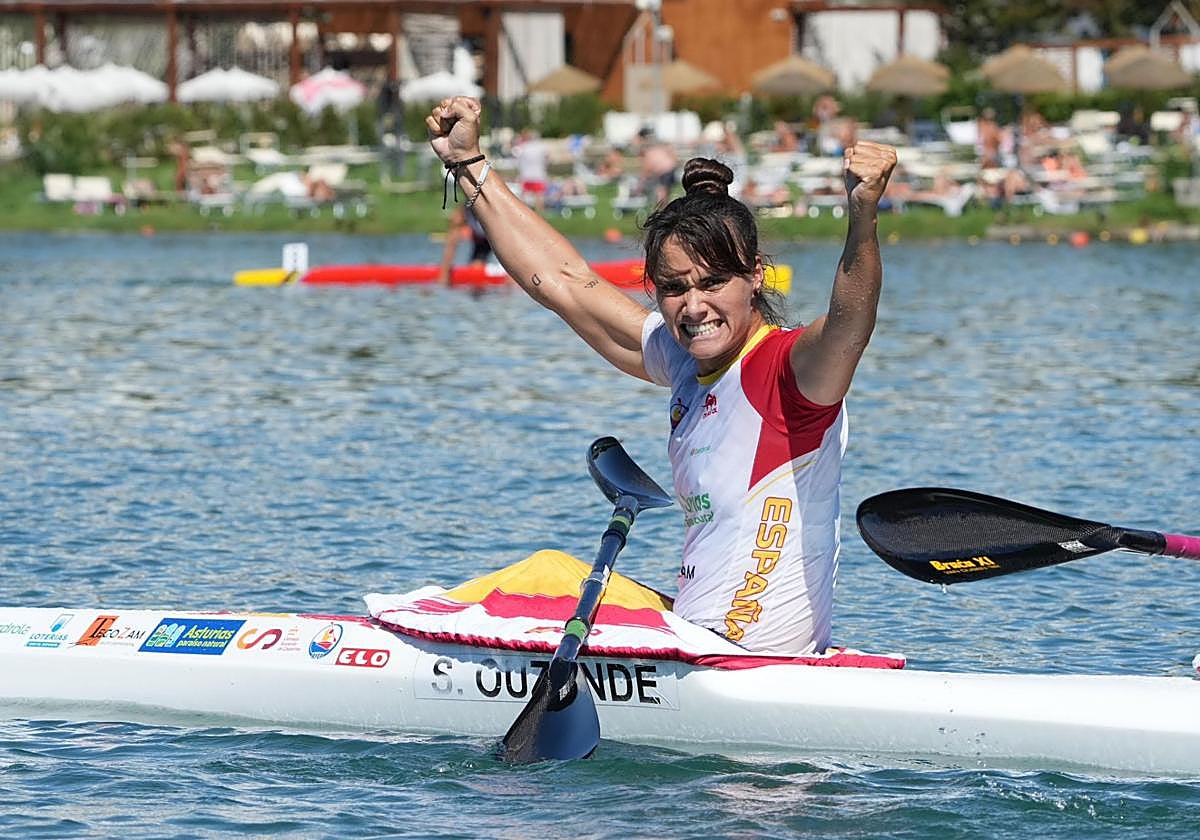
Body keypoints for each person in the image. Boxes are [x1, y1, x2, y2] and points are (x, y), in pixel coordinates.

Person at [427, 97, 895, 655]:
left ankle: (401, 647)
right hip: (692, 640)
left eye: (713, 283)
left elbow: (850, 321)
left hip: (746, 662)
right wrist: (470, 163)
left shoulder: (790, 373)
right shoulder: (681, 360)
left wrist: (862, 213)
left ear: (756, 278)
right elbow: (562, 280)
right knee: (550, 572)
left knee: (543, 581)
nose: (693, 306)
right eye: (674, 288)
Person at [437, 205, 491, 286]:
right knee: (476, 269)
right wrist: (444, 274)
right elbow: (451, 244)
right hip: (483, 241)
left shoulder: (494, 207)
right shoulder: (463, 211)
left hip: (503, 237)